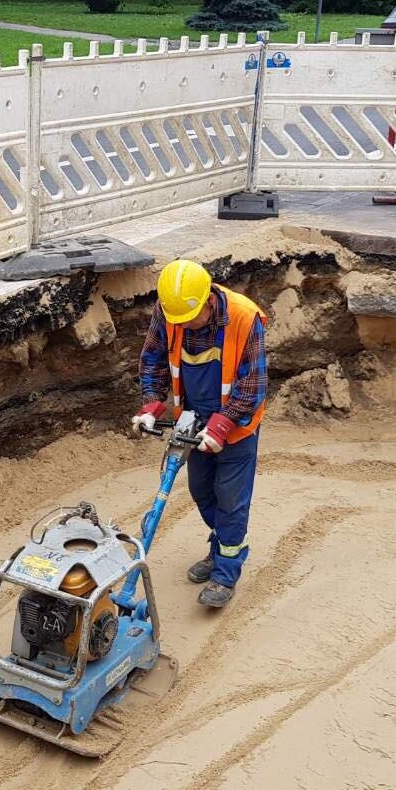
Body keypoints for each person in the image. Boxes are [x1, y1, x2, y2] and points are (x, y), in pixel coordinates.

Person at [132, 259, 267, 609]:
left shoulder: (243, 317)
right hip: (192, 420)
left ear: (208, 300)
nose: (185, 326)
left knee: (230, 500)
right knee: (201, 490)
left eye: (191, 319)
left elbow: (253, 385)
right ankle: (221, 545)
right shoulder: (171, 311)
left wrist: (222, 425)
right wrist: (151, 405)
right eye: (179, 321)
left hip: (236, 426)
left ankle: (225, 572)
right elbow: (153, 359)